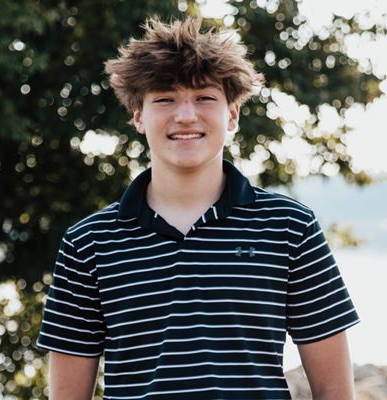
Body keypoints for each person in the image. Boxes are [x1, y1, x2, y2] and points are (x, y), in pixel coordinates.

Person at [38, 17, 359, 400]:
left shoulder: (290, 227)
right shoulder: (88, 243)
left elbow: (335, 393)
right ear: (138, 115)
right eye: (165, 99)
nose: (186, 115)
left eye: (205, 97)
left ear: (233, 114)